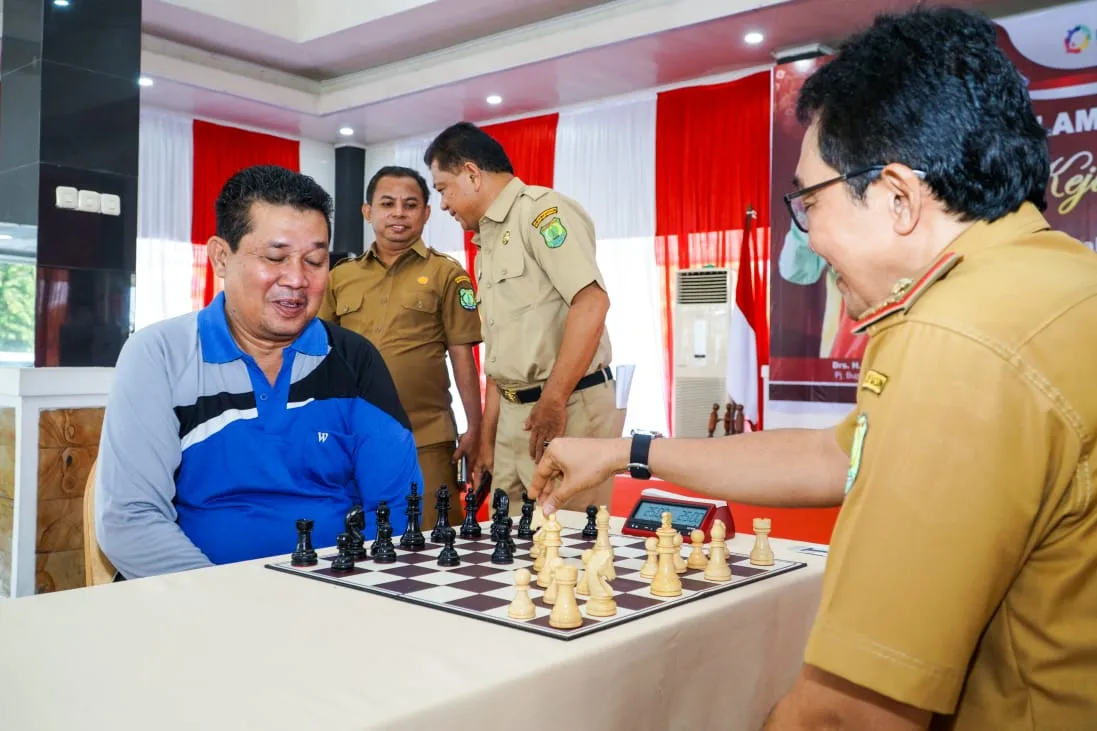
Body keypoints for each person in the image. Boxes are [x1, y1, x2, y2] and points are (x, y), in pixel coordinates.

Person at [529, 8, 1097, 730]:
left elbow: (848, 714)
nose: (807, 234)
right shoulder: (1051, 283)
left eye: (807, 200)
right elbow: (842, 454)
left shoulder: (959, 344)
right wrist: (626, 451)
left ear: (895, 196)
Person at [95, 165, 422, 579]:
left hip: (333, 599)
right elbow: (130, 519)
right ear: (220, 257)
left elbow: (392, 508)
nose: (298, 280)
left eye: (316, 261)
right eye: (274, 257)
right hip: (199, 603)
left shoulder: (355, 360)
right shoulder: (159, 355)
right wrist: (231, 607)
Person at [424, 122, 625, 513]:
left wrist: (553, 399)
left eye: (443, 188)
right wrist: (486, 440)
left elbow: (592, 303)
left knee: (564, 550)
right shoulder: (486, 244)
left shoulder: (542, 213)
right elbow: (502, 360)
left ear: (471, 174)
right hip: (517, 417)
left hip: (568, 407)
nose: (444, 204)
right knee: (512, 550)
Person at [319, 166, 482, 528]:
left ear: (425, 213)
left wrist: (476, 427)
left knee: (435, 540)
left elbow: (462, 355)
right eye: (387, 203)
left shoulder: (447, 274)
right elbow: (319, 354)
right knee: (353, 540)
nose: (398, 213)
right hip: (351, 437)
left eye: (410, 205)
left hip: (425, 435)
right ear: (368, 211)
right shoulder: (340, 277)